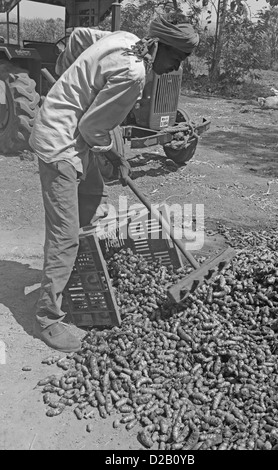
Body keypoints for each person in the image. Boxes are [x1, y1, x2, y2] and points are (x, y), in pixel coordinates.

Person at [29, 13, 199, 353]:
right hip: (60, 142)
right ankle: (48, 316)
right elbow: (95, 129)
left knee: (93, 194)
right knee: (64, 234)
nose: (177, 67)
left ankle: (76, 271)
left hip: (74, 133)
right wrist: (117, 158)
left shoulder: (124, 38)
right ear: (161, 46)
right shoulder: (134, 73)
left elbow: (77, 37)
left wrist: (67, 79)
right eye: (177, 58)